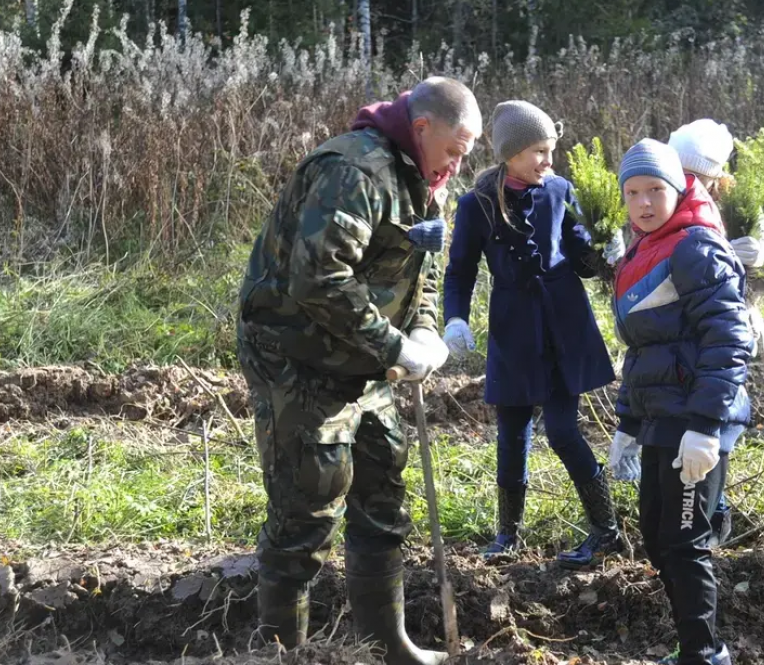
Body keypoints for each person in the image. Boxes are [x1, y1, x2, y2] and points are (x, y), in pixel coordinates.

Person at [236, 76, 481, 665]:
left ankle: (386, 645)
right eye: (454, 151)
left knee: (383, 492)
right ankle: (285, 654)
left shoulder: (427, 179)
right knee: (308, 505)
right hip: (296, 355)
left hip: (363, 360)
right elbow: (319, 280)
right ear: (421, 128)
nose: (457, 165)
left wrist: (423, 329)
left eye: (465, 155)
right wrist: (394, 348)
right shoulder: (355, 172)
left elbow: (419, 272)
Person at [441, 100, 625, 568]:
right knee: (511, 434)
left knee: (563, 431)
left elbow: (582, 260)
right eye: (539, 151)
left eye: (550, 150)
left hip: (562, 325)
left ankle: (606, 529)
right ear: (511, 153)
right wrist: (455, 318)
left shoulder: (560, 190)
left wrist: (607, 251)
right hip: (513, 330)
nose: (548, 160)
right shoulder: (477, 204)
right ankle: (507, 534)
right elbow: (460, 271)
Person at [609, 138, 751, 665]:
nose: (643, 203)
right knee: (656, 535)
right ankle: (695, 647)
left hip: (694, 418)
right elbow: (645, 351)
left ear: (678, 187)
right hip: (660, 419)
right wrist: (628, 423)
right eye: (632, 192)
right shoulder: (644, 250)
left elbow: (728, 339)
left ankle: (704, 654)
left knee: (684, 540)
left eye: (654, 190)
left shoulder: (694, 247)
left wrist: (707, 426)